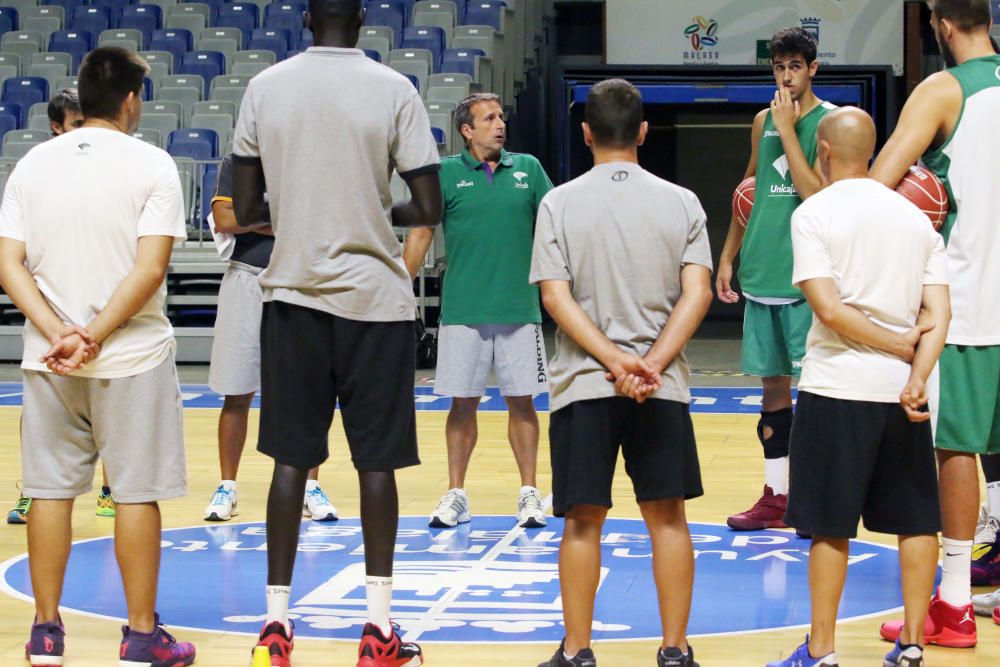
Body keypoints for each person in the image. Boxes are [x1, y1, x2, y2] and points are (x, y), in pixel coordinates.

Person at [230, 1, 442, 665]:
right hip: (375, 306)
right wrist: (375, 205)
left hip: (292, 297)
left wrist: (298, 201)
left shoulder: (266, 87)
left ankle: (275, 625)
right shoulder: (394, 88)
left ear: (305, 22)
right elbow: (430, 205)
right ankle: (377, 628)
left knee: (290, 461)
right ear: (361, 24)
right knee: (377, 464)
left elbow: (242, 207)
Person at [0, 47, 195, 666]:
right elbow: (151, 268)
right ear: (134, 99)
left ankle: (46, 633)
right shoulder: (153, 164)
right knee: (135, 494)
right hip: (131, 356)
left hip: (48, 360)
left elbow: (9, 265)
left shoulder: (31, 163)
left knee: (50, 492)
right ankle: (140, 636)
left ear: (81, 97)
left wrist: (60, 331)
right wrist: (95, 334)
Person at [531, 78, 713, 667]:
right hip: (661, 387)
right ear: (642, 132)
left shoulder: (558, 202)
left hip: (584, 384)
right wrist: (651, 363)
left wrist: (613, 361)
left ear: (585, 134)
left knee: (583, 522)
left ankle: (578, 651)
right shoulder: (682, 201)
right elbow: (699, 292)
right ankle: (675, 650)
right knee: (667, 519)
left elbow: (556, 299)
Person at [768, 107, 949, 667]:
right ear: (870, 151)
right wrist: (915, 373)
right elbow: (939, 314)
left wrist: (896, 349)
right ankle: (914, 641)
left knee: (829, 524)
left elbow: (828, 308)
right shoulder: (916, 218)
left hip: (836, 387)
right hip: (903, 396)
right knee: (916, 520)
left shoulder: (813, 213)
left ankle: (821, 650)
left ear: (822, 149)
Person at [872, 0, 1000, 645]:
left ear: (940, 24)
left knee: (953, 446)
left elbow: (879, 182)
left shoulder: (944, 88)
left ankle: (951, 604)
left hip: (972, 301)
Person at [403, 92, 553, 530]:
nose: (500, 124)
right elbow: (421, 236)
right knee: (462, 405)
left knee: (522, 404)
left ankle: (529, 493)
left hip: (520, 308)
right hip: (463, 311)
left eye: (501, 116)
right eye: (489, 118)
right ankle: (456, 493)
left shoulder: (529, 169)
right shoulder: (445, 174)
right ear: (467, 130)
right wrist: (395, 290)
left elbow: (556, 227)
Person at [715, 27, 836, 531]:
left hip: (809, 279)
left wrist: (789, 130)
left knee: (819, 393)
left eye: (794, 66)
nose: (786, 76)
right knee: (773, 393)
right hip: (761, 271)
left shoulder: (833, 123)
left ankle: (816, 498)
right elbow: (749, 191)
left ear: (813, 69)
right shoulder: (761, 120)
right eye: (778, 66)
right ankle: (777, 495)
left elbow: (821, 197)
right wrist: (727, 256)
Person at [202, 153, 338, 523]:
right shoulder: (239, 162)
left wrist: (255, 217)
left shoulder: (313, 156)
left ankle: (309, 487)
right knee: (237, 391)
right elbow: (227, 219)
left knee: (309, 393)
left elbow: (323, 222)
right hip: (246, 278)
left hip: (301, 279)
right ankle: (227, 486)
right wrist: (285, 218)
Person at [6, 88, 117, 525]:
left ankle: (111, 489)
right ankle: (34, 489)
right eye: (75, 124)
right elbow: (13, 256)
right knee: (38, 416)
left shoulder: (113, 169)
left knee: (113, 408)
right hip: (49, 314)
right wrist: (53, 324)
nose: (84, 132)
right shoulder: (32, 173)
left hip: (106, 311)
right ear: (56, 127)